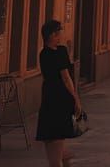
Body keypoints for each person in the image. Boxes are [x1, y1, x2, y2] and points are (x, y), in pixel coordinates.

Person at [35, 20, 82, 167]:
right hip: (60, 99)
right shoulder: (61, 52)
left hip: (49, 98)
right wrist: (76, 98)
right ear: (52, 35)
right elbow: (66, 78)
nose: (61, 35)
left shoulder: (43, 54)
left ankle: (64, 155)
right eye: (59, 32)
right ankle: (64, 155)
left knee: (52, 140)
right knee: (56, 150)